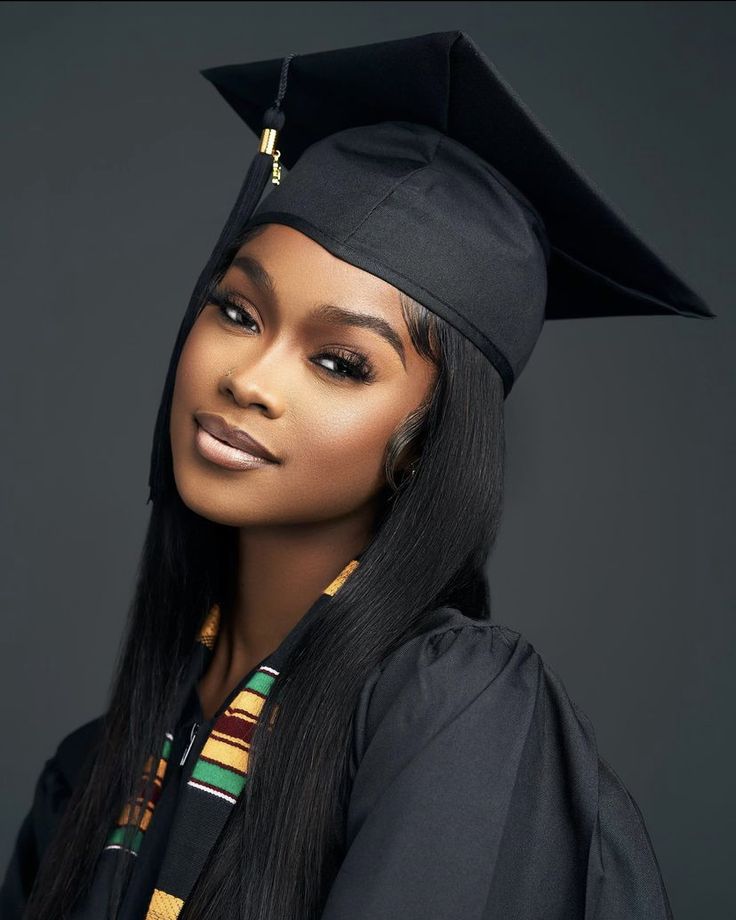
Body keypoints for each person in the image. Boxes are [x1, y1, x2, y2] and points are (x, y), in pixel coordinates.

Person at [0, 30, 712, 920]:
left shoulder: (455, 718)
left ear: (426, 439)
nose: (247, 380)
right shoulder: (93, 773)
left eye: (340, 363)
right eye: (236, 310)